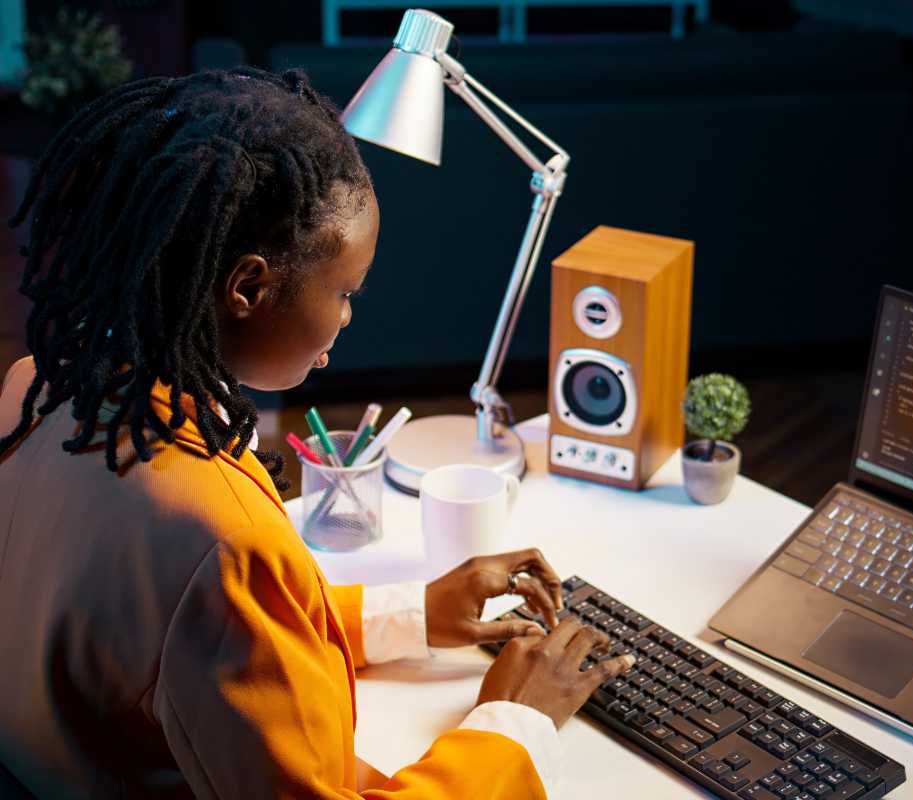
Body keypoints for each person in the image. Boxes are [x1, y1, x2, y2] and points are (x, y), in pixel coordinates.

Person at [0, 68, 632, 798]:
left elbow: (178, 638)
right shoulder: (220, 540)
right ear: (247, 286)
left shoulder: (35, 388)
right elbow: (214, 602)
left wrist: (412, 614)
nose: (347, 319)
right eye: (344, 292)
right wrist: (514, 721)